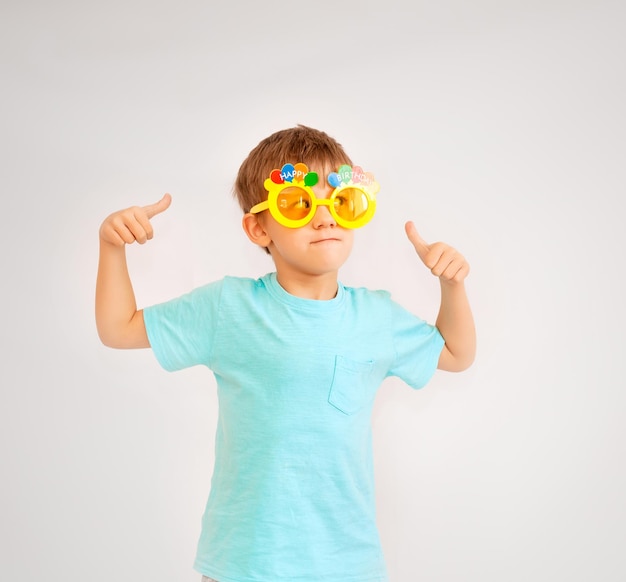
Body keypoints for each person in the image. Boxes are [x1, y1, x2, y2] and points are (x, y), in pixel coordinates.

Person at [95, 125, 476, 582]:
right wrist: (111, 247)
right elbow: (119, 329)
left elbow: (456, 353)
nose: (324, 219)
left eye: (341, 201)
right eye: (297, 203)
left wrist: (451, 285)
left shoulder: (377, 316)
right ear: (258, 227)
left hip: (347, 563)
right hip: (243, 563)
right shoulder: (227, 308)